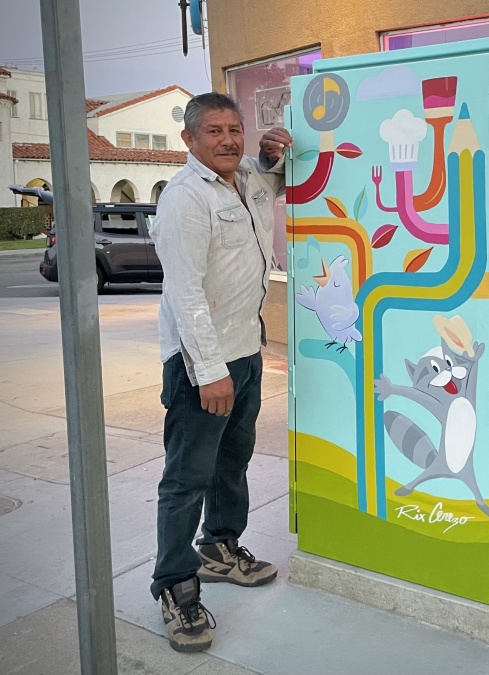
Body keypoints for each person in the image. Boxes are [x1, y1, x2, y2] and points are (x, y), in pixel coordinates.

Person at [148, 92, 293, 653]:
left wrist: (271, 152)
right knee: (187, 477)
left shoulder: (249, 177)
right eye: (214, 131)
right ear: (189, 139)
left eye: (235, 129)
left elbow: (277, 177)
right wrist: (209, 372)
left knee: (232, 462)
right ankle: (174, 586)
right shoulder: (185, 198)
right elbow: (184, 292)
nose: (228, 140)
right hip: (199, 363)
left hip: (245, 351)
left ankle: (219, 548)